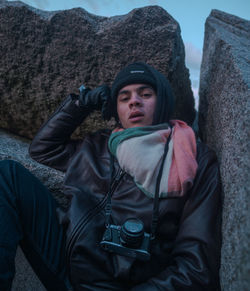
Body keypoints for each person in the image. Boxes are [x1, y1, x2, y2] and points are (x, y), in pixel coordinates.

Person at [0, 62, 222, 291]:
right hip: (68, 263)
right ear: (117, 110)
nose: (134, 101)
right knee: (8, 175)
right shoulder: (99, 145)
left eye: (145, 94)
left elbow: (196, 266)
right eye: (124, 98)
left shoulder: (194, 158)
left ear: (163, 100)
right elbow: (43, 149)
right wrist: (81, 104)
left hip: (123, 284)